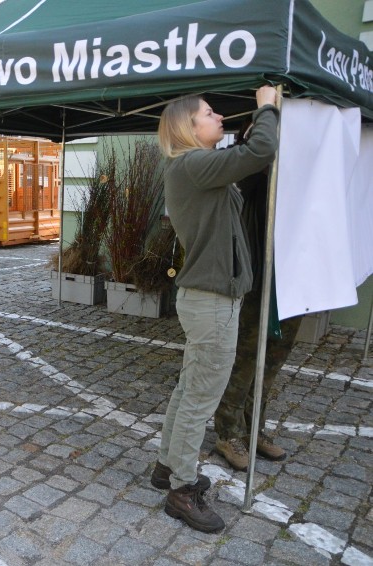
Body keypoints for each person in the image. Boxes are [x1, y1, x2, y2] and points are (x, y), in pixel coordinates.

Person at [151, 86, 279, 533]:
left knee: (189, 389)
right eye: (209, 113)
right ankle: (182, 491)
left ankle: (167, 467)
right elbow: (262, 150)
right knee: (200, 399)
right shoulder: (194, 165)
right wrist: (266, 108)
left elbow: (244, 161)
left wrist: (246, 134)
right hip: (212, 302)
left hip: (207, 299)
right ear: (189, 126)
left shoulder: (197, 169)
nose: (218, 116)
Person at [212, 119, 302, 471]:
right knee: (246, 359)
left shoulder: (307, 172)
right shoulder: (251, 167)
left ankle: (254, 429)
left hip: (294, 277)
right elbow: (244, 170)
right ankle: (228, 433)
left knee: (273, 361)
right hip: (259, 278)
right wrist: (260, 138)